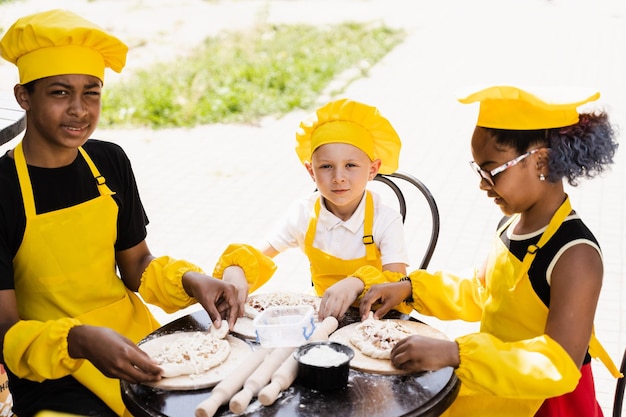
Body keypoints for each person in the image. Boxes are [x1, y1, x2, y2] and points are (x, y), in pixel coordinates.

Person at [0, 9, 242, 417]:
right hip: (52, 369)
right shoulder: (3, 187)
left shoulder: (109, 161)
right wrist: (77, 340)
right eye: (60, 93)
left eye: (91, 92)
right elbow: (5, 330)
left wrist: (190, 280)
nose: (79, 110)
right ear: (24, 96)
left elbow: (136, 265)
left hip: (135, 342)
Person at [358, 85, 622, 416]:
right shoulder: (510, 225)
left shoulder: (575, 255)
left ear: (541, 161)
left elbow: (559, 364)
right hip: (497, 382)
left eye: (491, 170)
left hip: (544, 402)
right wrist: (410, 290)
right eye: (478, 170)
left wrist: (457, 354)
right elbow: (482, 291)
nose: (482, 183)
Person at [213, 98, 412, 319]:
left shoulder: (385, 220)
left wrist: (358, 282)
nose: (338, 178)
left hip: (373, 320)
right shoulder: (303, 214)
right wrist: (236, 269)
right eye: (326, 166)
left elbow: (397, 285)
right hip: (321, 316)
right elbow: (258, 255)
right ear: (311, 171)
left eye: (351, 166)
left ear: (373, 169)